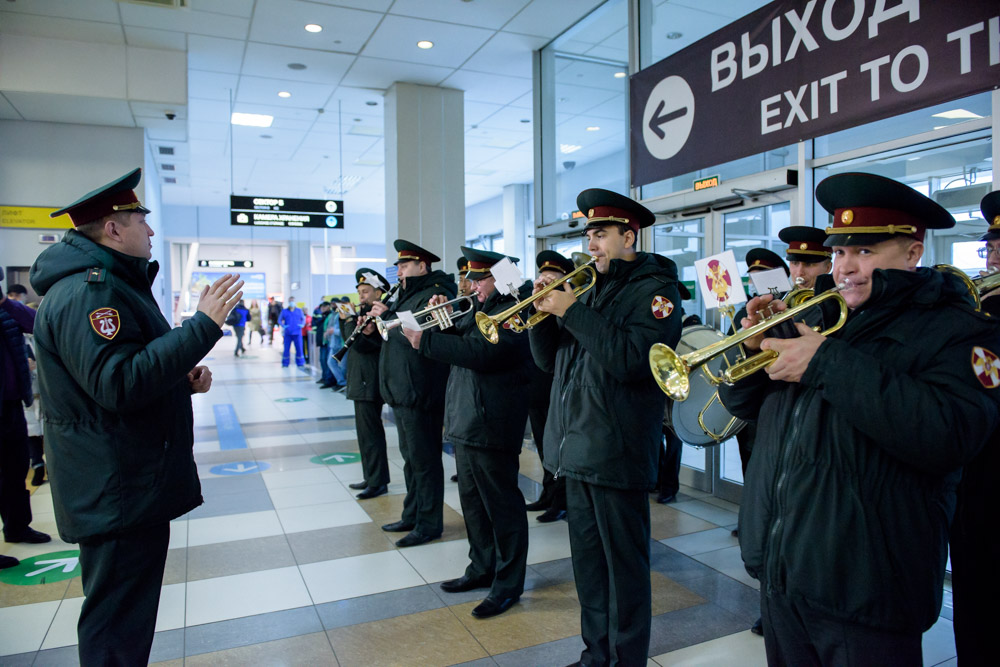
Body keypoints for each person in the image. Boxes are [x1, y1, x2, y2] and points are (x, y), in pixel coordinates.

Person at [718, 172, 1000, 666]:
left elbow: (949, 437)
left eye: (865, 252)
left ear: (912, 253)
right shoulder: (821, 315)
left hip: (868, 588)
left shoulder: (957, 330)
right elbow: (745, 409)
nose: (846, 268)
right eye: (838, 252)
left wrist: (826, 362)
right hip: (785, 572)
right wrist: (749, 352)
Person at [29, 167, 243, 666]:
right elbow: (118, 385)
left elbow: (122, 373)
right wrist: (202, 326)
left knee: (123, 616)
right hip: (116, 484)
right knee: (116, 625)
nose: (149, 231)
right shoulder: (92, 293)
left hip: (120, 478)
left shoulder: (107, 286)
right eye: (139, 220)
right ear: (112, 228)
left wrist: (177, 377)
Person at [530, 188, 683, 666]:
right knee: (590, 568)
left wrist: (573, 312)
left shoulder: (656, 292)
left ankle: (627, 659)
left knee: (625, 570)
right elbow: (550, 364)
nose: (591, 244)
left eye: (600, 235)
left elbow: (631, 361)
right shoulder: (593, 289)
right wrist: (541, 316)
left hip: (617, 452)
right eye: (589, 235)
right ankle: (596, 654)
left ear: (629, 235)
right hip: (577, 447)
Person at [403, 247, 532, 618]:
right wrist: (443, 321)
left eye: (479, 279)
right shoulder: (482, 308)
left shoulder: (514, 309)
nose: (471, 285)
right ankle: (481, 568)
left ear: (500, 278)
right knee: (473, 504)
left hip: (493, 422)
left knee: (502, 507)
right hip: (467, 419)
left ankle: (508, 584)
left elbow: (485, 355)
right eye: (470, 279)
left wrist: (425, 340)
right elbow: (465, 343)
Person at [369, 240, 456, 548]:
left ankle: (429, 523)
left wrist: (390, 314)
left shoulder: (436, 293)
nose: (400, 272)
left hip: (421, 389)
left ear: (423, 266)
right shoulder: (408, 293)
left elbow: (418, 336)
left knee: (425, 460)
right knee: (410, 459)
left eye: (405, 266)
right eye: (399, 267)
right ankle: (413, 513)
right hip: (403, 390)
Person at [949, 190, 1000, 667]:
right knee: (974, 590)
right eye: (991, 246)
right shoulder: (975, 313)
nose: (993, 256)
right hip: (977, 477)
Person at [1, 267, 51, 570]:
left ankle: (18, 526)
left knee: (15, 467)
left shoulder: (7, 311)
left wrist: (4, 304)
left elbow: (35, 323)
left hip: (10, 405)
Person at [523, 250, 573, 523]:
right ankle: (547, 493)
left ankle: (560, 500)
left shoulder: (566, 303)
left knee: (558, 448)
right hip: (537, 388)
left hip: (556, 386)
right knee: (544, 446)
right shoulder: (541, 301)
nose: (545, 280)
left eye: (551, 276)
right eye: (543, 275)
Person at [343, 270, 390, 499]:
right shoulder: (364, 312)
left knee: (371, 434)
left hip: (369, 381)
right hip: (360, 379)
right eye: (360, 292)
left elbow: (360, 345)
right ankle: (371, 476)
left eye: (366, 291)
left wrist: (349, 321)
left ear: (378, 293)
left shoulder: (379, 315)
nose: (361, 296)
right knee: (364, 434)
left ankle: (378, 481)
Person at [778, 226, 832, 290]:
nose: (799, 272)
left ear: (827, 268)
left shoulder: (836, 299)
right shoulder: (781, 297)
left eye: (808, 264)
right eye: (795, 263)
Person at [312, 301, 335, 387]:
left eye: (325, 306)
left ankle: (329, 380)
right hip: (322, 342)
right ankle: (324, 377)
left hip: (328, 342)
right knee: (322, 360)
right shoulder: (323, 316)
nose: (323, 308)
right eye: (321, 307)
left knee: (327, 361)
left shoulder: (330, 316)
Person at [279, 297, 305, 367]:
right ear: (288, 302)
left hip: (297, 333)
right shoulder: (284, 311)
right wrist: (283, 325)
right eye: (290, 301)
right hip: (288, 333)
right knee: (286, 349)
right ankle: (285, 363)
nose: (292, 302)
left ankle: (300, 363)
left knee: (299, 348)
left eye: (293, 301)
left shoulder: (299, 311)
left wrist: (302, 324)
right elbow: (279, 320)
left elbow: (303, 319)